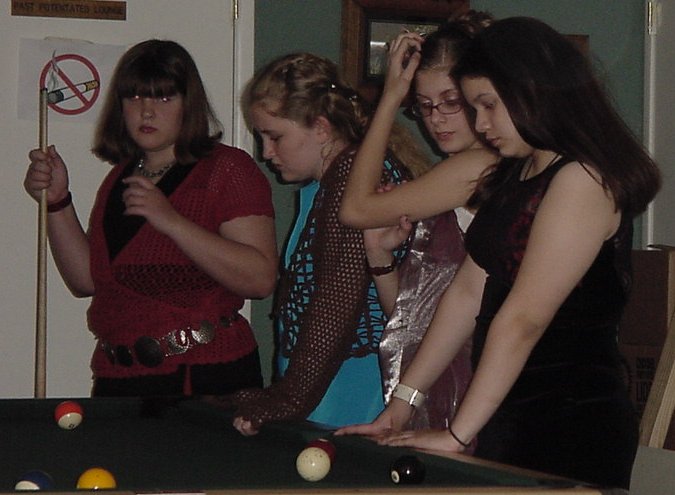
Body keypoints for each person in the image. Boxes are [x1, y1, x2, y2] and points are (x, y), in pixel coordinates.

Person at [338, 17, 661, 489]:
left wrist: (456, 434)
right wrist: (402, 404)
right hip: (511, 412)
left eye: (487, 105)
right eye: (474, 107)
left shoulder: (582, 179)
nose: (481, 123)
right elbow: (466, 294)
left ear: (532, 91)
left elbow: (523, 318)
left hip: (570, 421)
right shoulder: (518, 172)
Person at [23, 39, 278, 397]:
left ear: (188, 104)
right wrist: (57, 201)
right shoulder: (120, 178)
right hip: (119, 377)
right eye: (134, 97)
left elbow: (260, 279)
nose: (146, 111)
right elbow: (87, 281)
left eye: (163, 97)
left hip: (204, 376)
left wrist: (171, 221)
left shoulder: (226, 169)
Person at [225, 52, 429, 435]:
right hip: (329, 387)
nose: (266, 152)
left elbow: (339, 296)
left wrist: (287, 398)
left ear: (320, 128)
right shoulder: (327, 184)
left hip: (355, 392)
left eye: (275, 136)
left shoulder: (352, 177)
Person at [339, 12, 497, 432]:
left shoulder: (479, 167)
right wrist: (380, 256)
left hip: (480, 389)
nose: (436, 118)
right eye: (424, 106)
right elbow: (413, 321)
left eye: (450, 102)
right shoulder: (450, 176)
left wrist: (390, 97)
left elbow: (354, 209)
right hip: (437, 385)